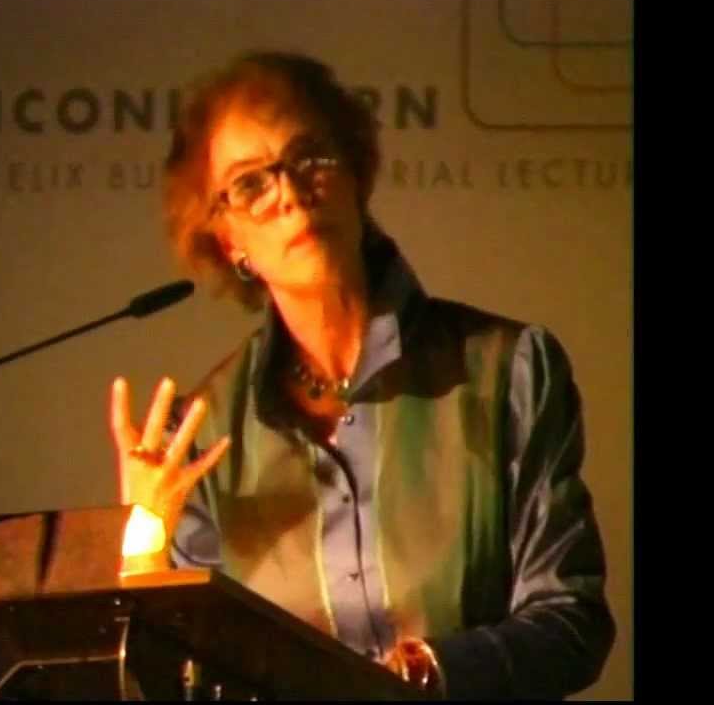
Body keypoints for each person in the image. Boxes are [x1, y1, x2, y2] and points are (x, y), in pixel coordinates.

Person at [108, 51, 614, 700]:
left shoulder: (508, 369)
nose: (289, 194)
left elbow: (572, 624)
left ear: (354, 171)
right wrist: (145, 541)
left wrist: (427, 672)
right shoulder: (203, 435)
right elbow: (180, 677)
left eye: (308, 158)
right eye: (250, 185)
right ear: (228, 240)